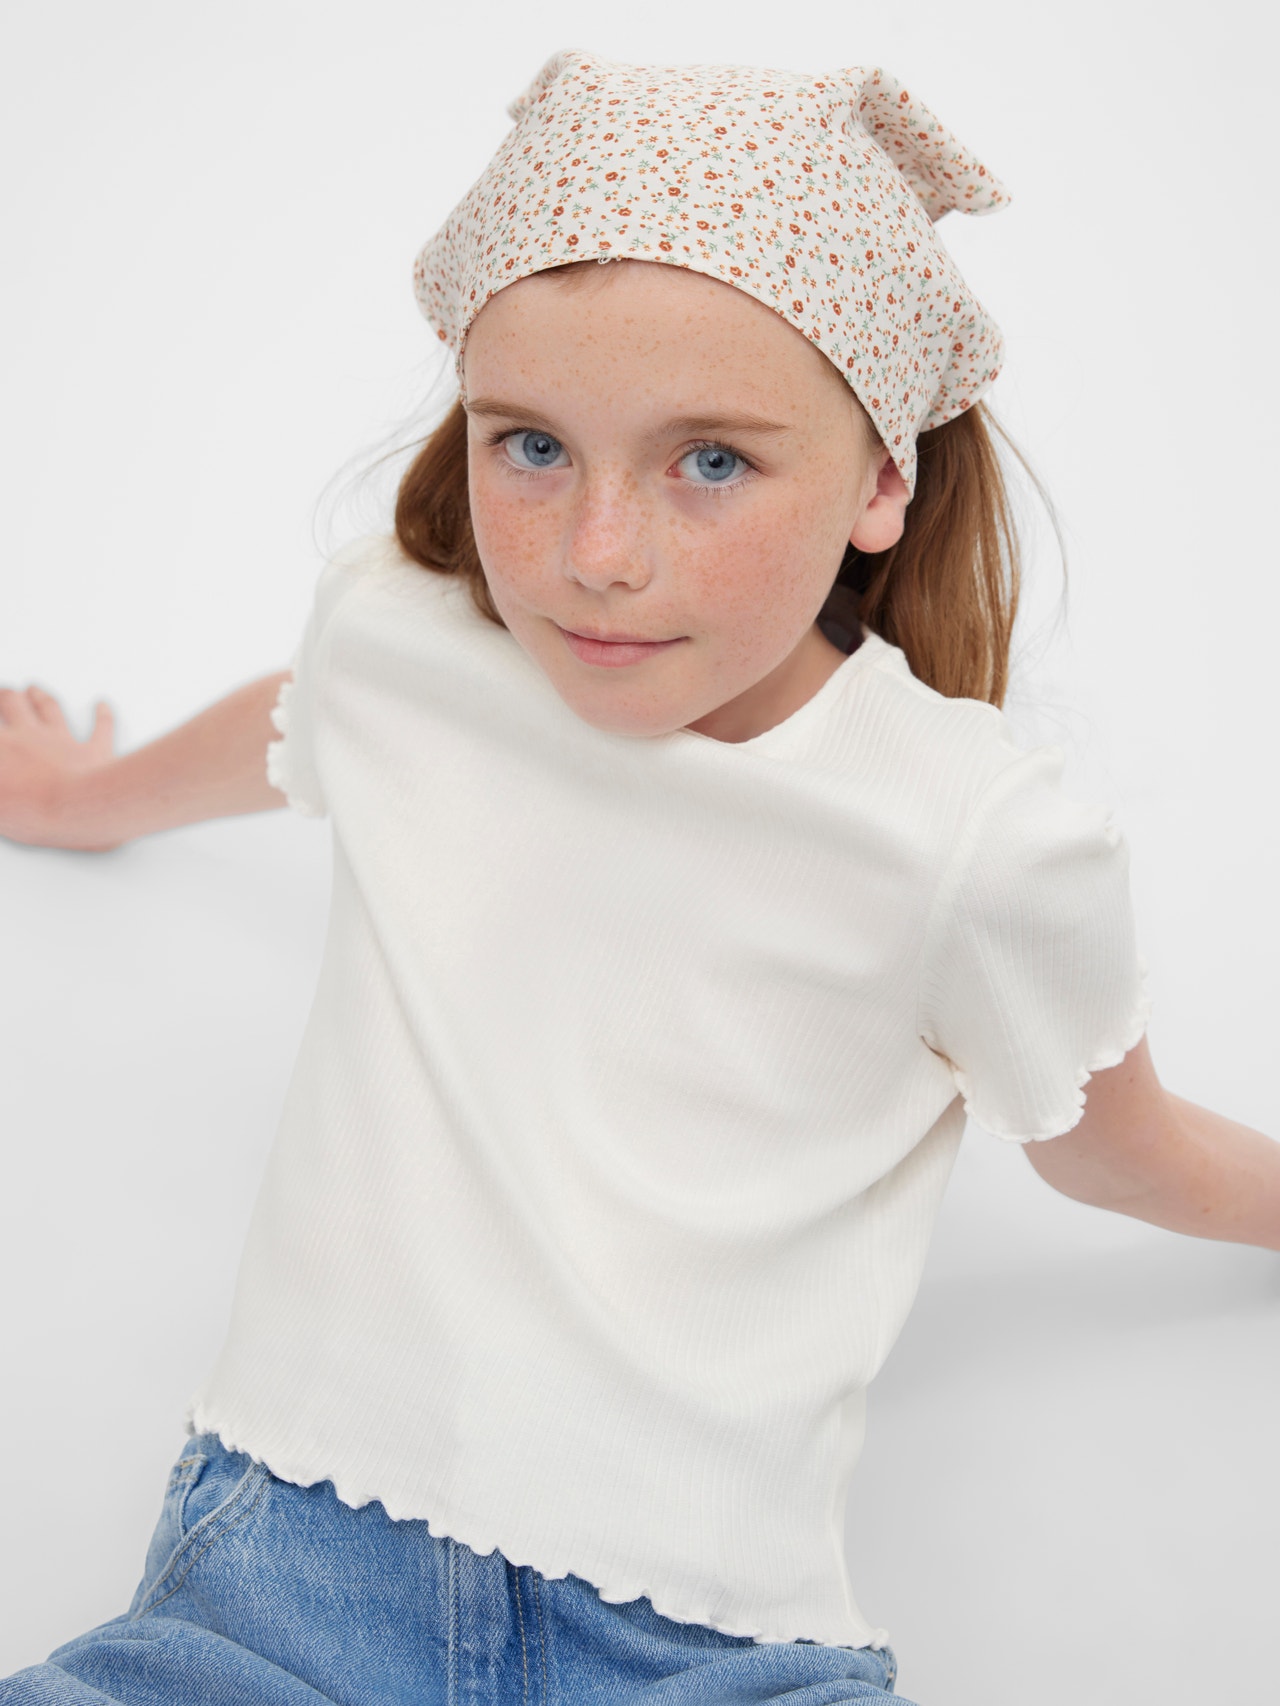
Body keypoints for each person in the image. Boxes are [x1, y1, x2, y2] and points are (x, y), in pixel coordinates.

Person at [0, 46, 1276, 1706]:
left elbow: (1124, 1147)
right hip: (279, 1583)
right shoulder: (402, 646)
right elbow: (306, 713)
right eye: (531, 444)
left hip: (708, 1651)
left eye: (712, 461)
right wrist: (79, 794)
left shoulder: (971, 836)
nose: (596, 554)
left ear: (884, 475)